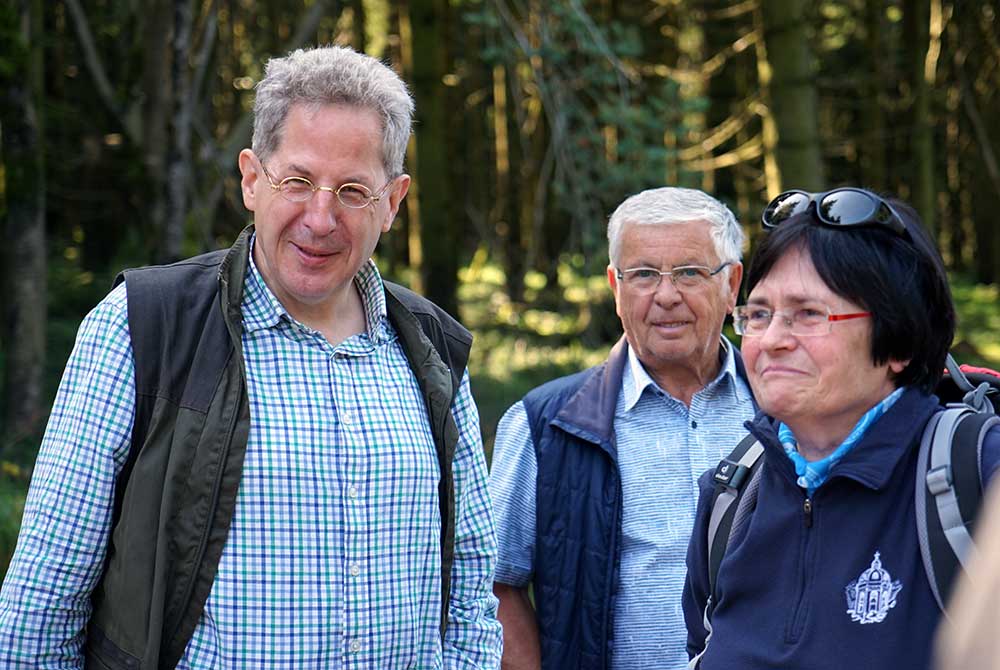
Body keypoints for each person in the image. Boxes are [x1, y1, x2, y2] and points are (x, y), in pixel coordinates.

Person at [0, 45, 502, 668]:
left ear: (393, 203)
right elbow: (44, 599)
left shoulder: (432, 349)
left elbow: (472, 593)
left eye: (352, 191)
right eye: (297, 181)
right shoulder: (142, 326)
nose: (320, 219)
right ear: (250, 179)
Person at [682, 188, 1000, 669]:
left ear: (899, 343)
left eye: (809, 315)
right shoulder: (731, 495)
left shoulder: (976, 475)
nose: (772, 341)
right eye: (760, 314)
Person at [489, 187, 757, 669]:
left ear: (732, 284)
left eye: (690, 273)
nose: (666, 295)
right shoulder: (545, 424)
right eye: (644, 275)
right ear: (616, 287)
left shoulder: (782, 411)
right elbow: (491, 583)